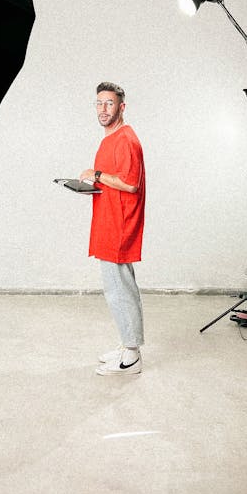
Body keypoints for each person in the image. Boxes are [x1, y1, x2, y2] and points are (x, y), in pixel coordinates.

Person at [79, 82, 146, 376]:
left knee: (120, 289)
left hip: (120, 225)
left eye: (109, 103)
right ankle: (126, 344)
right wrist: (92, 184)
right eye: (99, 103)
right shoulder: (109, 139)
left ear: (122, 106)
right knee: (116, 287)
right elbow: (113, 180)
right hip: (107, 220)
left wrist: (95, 174)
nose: (103, 109)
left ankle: (131, 355)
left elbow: (131, 183)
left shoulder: (126, 140)